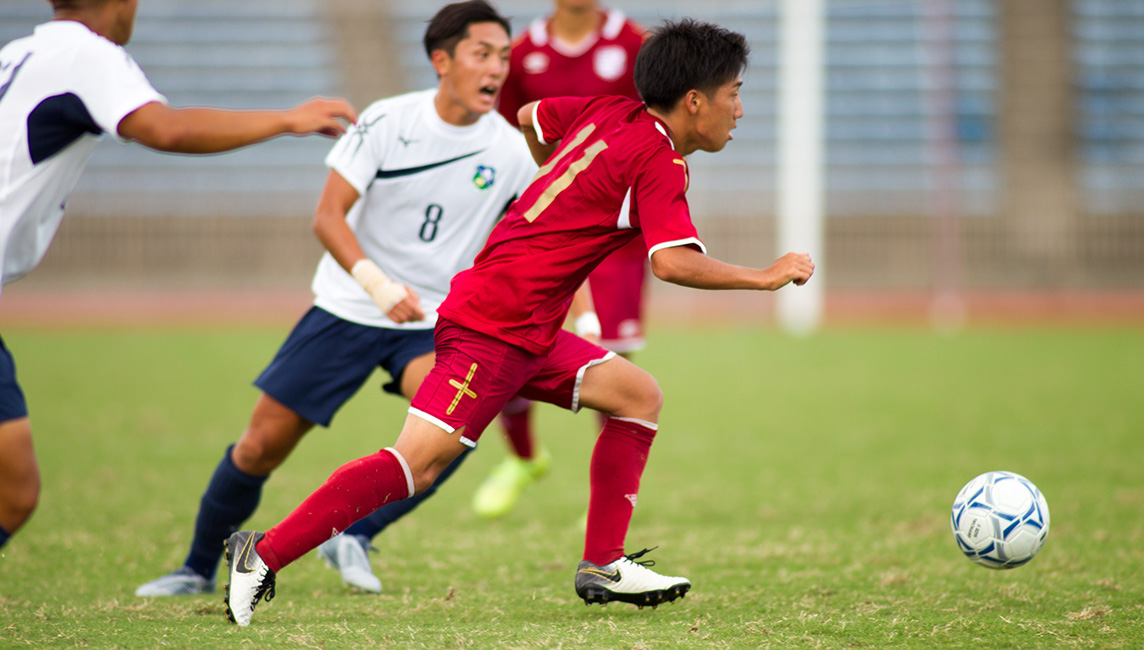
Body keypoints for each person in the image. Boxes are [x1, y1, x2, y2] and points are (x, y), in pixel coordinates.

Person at [223, 18, 815, 627]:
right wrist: (765, 276)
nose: (739, 109)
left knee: (637, 395)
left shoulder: (610, 112)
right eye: (734, 93)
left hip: (524, 324)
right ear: (695, 101)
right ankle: (260, 553)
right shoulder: (662, 162)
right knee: (416, 465)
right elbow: (671, 262)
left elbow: (532, 116)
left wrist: (552, 195)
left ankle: (604, 565)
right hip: (492, 327)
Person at [134, 0, 536, 596]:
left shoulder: (509, 150)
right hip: (347, 309)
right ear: (441, 61)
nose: (497, 69)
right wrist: (376, 282)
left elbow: (527, 244)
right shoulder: (388, 121)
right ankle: (196, 568)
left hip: (432, 324)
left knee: (458, 428)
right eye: (483, 54)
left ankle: (355, 534)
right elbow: (327, 217)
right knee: (260, 446)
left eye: (504, 57)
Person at [0, 0, 356, 554]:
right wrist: (288, 119)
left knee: (14, 491)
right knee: (13, 494)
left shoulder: (19, 53)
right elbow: (164, 129)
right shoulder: (87, 55)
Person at [473, 0, 650, 519]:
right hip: (543, 227)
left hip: (616, 228)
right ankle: (525, 457)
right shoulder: (523, 52)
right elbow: (503, 133)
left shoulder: (634, 44)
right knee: (505, 340)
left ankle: (609, 499)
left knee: (616, 361)